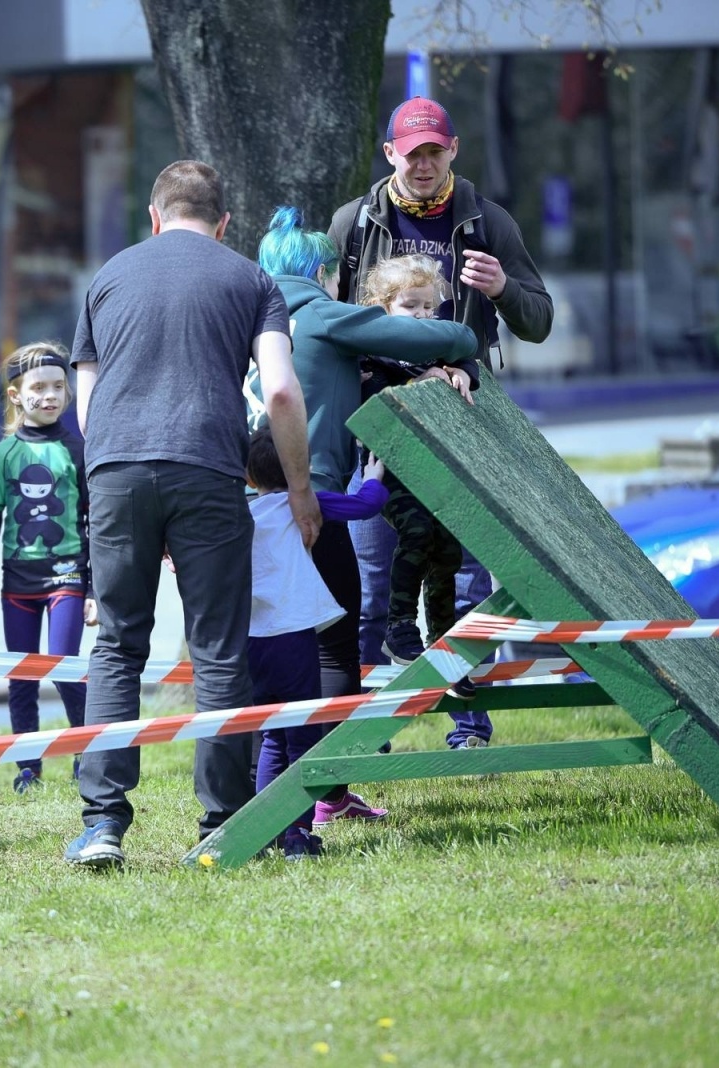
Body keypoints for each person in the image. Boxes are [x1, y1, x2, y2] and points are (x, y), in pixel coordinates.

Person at [65, 159, 322, 870]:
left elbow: (85, 406)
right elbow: (279, 395)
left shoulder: (109, 276)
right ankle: (224, 823)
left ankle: (103, 825)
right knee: (217, 647)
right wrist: (298, 488)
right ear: (224, 223)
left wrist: (124, 479)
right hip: (208, 468)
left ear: (154, 216)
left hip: (114, 469)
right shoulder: (252, 280)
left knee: (118, 644)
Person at [327, 97, 553, 749]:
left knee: (459, 582)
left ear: (452, 150)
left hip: (462, 432)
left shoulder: (485, 221)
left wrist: (504, 288)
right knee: (372, 587)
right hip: (379, 431)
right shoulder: (356, 223)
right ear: (390, 153)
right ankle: (365, 735)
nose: (424, 165)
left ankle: (469, 724)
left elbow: (539, 322)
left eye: (435, 151)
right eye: (412, 152)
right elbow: (326, 326)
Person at [248, 206, 477, 823]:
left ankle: (255, 795)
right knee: (333, 650)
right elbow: (432, 336)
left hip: (239, 510)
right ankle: (323, 794)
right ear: (320, 272)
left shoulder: (239, 319)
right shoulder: (319, 311)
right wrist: (462, 345)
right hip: (310, 502)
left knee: (262, 649)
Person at [243, 427, 389, 859]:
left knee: (271, 737)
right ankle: (297, 835)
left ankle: (264, 827)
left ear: (249, 477)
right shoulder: (305, 503)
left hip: (250, 642)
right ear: (299, 468)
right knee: (300, 739)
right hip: (295, 641)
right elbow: (367, 506)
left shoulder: (240, 512)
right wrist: (374, 474)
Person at [361, 254, 479, 702]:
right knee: (416, 532)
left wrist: (460, 372)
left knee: (446, 550)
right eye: (412, 307)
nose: (424, 317)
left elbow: (469, 354)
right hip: (386, 471)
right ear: (383, 307)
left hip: (430, 473)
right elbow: (375, 388)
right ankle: (399, 626)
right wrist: (417, 381)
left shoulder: (436, 351)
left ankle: (444, 647)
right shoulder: (373, 352)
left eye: (430, 308)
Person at [0, 341, 94, 794]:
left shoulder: (80, 450)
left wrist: (94, 590)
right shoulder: (4, 454)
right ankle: (28, 766)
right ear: (15, 395)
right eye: (38, 387)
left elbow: (96, 524)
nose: (50, 396)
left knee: (62, 665)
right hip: (17, 586)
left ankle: (87, 753)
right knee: (22, 677)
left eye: (58, 387)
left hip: (67, 576)